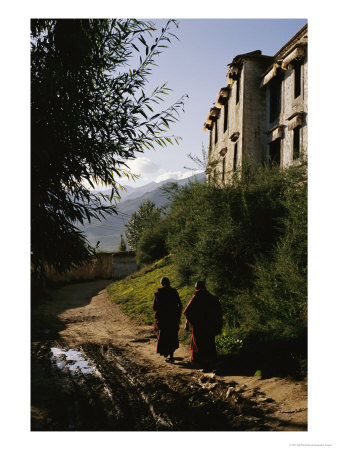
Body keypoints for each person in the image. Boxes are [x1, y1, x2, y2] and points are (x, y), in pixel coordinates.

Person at [184, 281, 223, 370]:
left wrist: (193, 322)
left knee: (200, 345)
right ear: (205, 287)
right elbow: (219, 313)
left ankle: (204, 365)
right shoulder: (212, 298)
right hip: (210, 326)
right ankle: (211, 363)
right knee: (209, 343)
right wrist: (217, 325)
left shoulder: (196, 297)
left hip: (199, 326)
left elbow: (187, 311)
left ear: (196, 288)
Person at [153, 277, 182, 363]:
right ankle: (171, 356)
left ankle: (166, 353)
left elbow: (155, 307)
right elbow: (180, 305)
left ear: (162, 284)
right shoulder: (174, 292)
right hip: (173, 318)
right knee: (172, 336)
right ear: (169, 283)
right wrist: (178, 316)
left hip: (163, 319)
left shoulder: (159, 293)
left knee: (164, 336)